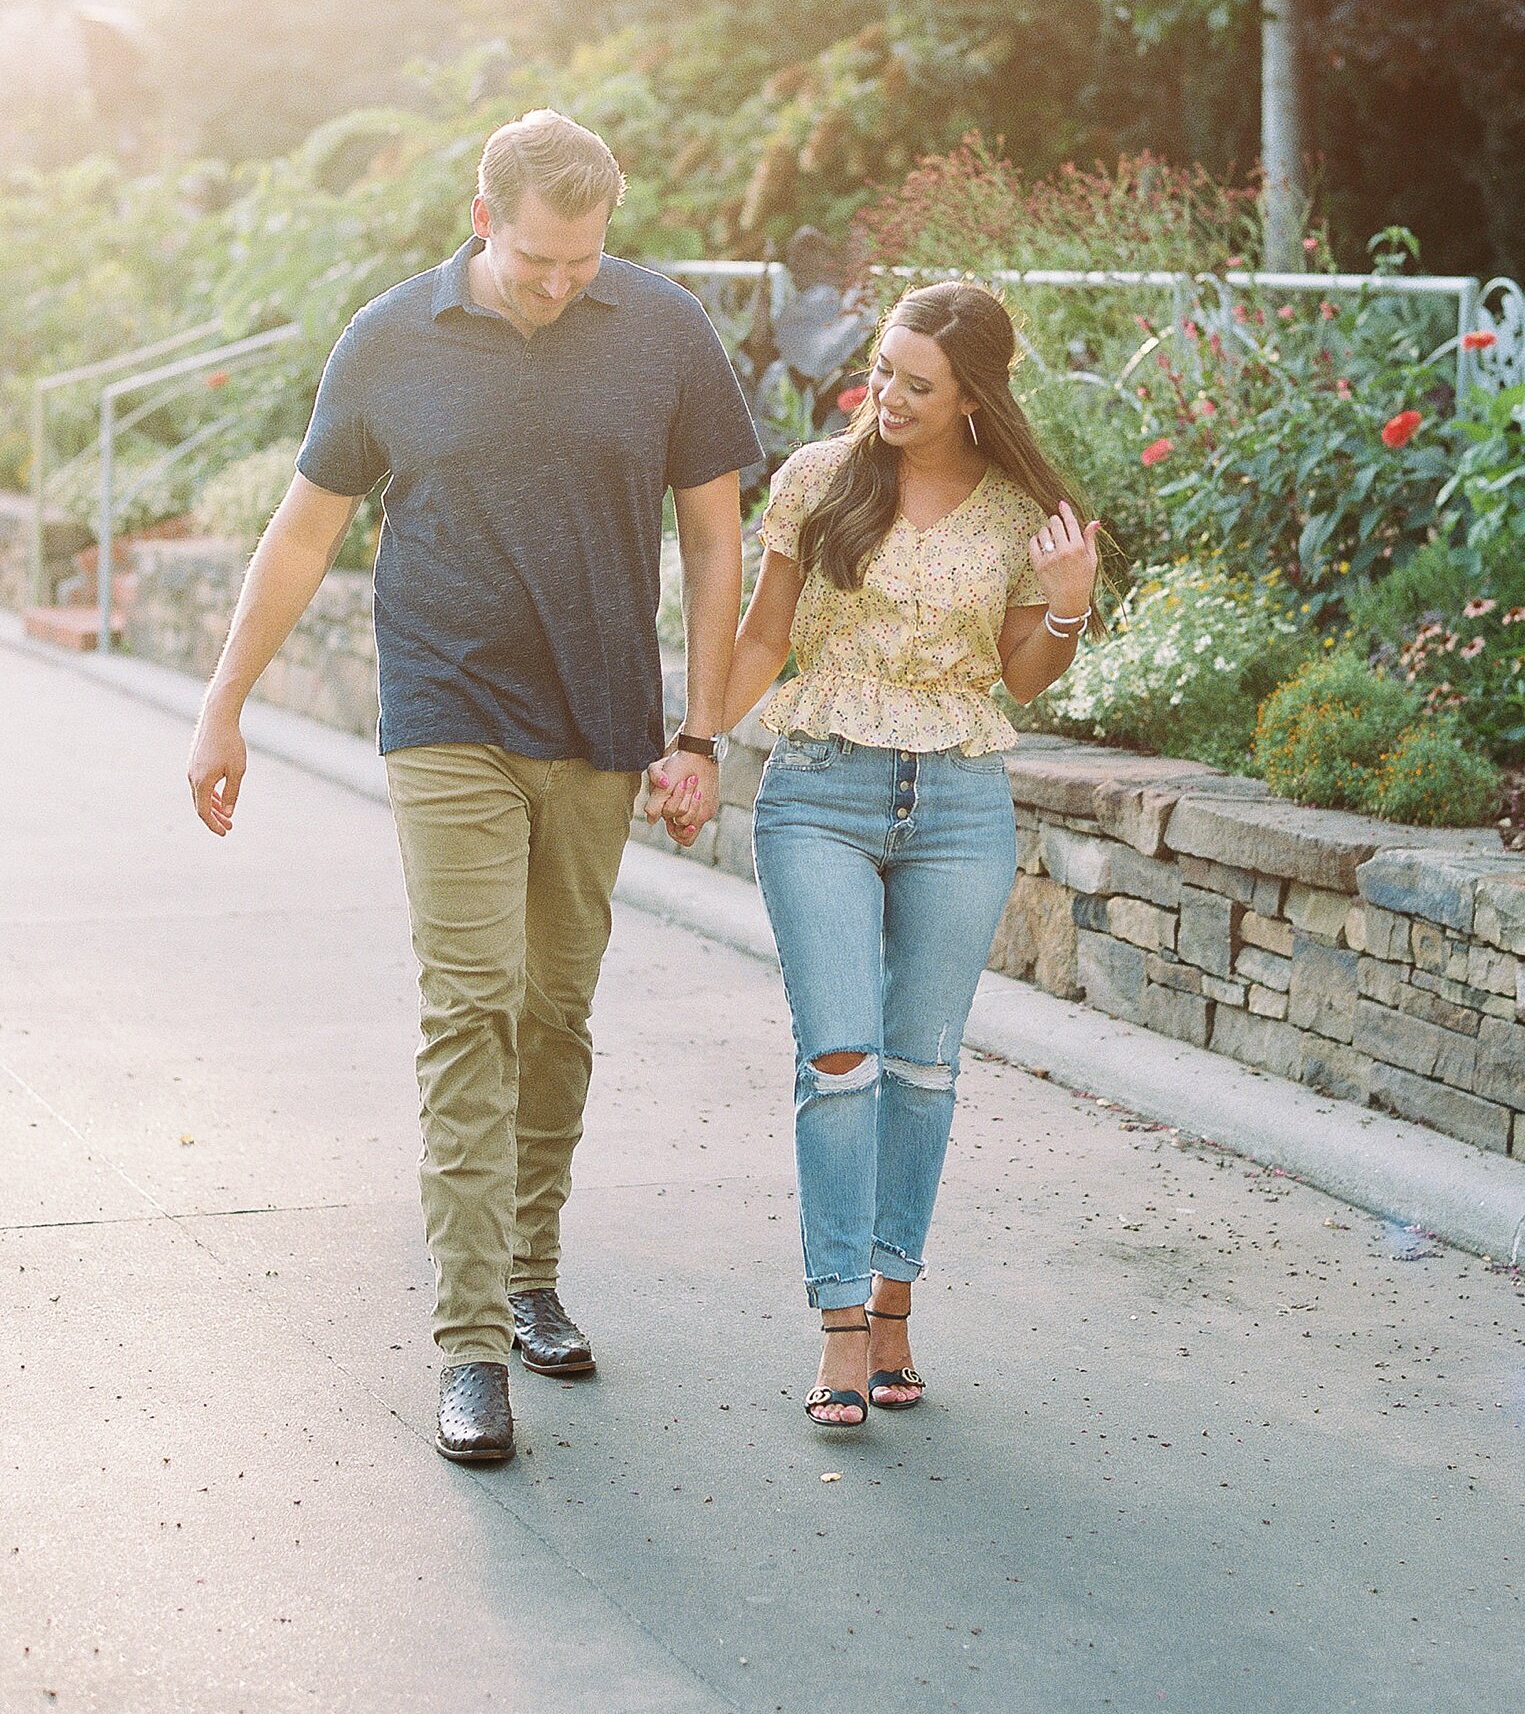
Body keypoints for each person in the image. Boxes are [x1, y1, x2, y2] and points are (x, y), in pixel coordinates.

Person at [185, 111, 761, 1466]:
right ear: (481, 210)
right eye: (537, 256)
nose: (561, 281)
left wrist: (702, 728)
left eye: (584, 258)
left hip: (606, 720)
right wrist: (224, 702)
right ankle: (468, 1344)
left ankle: (530, 1267)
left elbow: (716, 534)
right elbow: (306, 525)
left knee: (556, 1007)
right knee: (471, 1003)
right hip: (445, 711)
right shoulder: (392, 335)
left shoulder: (664, 328)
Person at [669, 281, 1101, 1428]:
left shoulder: (1021, 509)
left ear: (973, 395)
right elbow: (765, 632)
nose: (886, 395)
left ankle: (898, 1297)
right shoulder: (820, 478)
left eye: (918, 383)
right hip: (820, 791)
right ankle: (842, 1323)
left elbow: (1020, 674)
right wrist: (694, 739)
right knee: (841, 1057)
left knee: (923, 1064)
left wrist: (1066, 606)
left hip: (960, 797)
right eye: (882, 369)